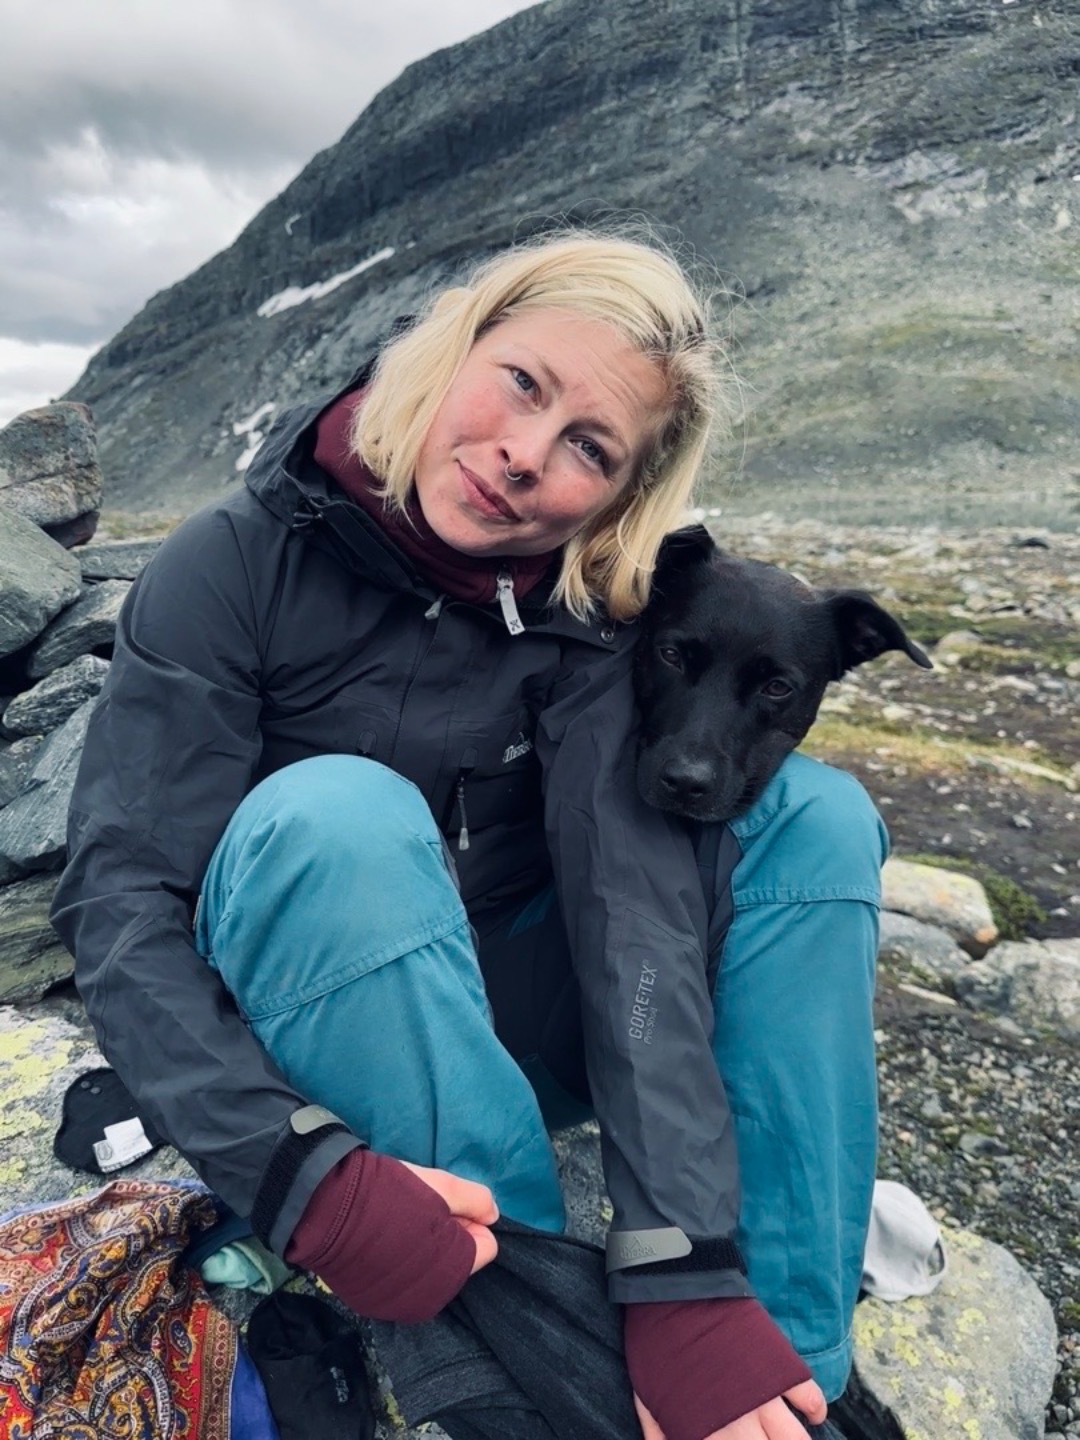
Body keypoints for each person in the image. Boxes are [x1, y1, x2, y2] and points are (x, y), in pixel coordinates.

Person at [52, 230, 885, 1440]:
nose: (526, 456)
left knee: (816, 820)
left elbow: (633, 910)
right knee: (334, 816)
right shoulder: (233, 562)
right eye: (523, 383)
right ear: (458, 342)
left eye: (590, 447)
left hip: (516, 1022)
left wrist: (682, 1261)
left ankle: (787, 1359)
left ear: (625, 493)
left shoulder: (589, 612)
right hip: (312, 1026)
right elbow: (119, 896)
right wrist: (296, 1173)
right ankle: (535, 1327)